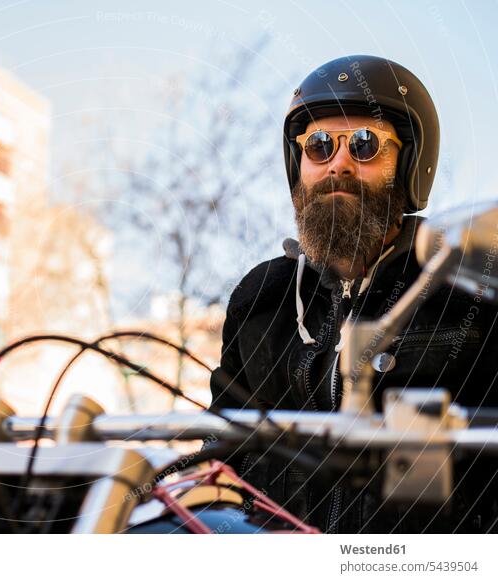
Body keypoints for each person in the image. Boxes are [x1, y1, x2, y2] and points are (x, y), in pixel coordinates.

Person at [210, 54, 498, 533]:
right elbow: (219, 455)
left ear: (410, 166)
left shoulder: (466, 291)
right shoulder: (262, 299)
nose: (337, 164)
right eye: (319, 145)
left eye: (364, 145)